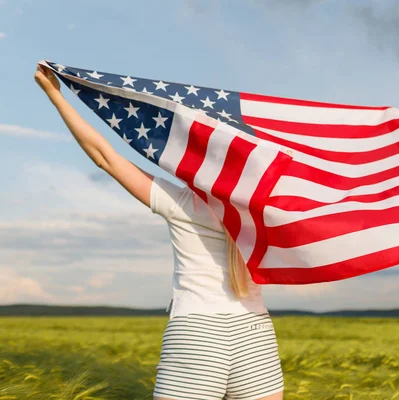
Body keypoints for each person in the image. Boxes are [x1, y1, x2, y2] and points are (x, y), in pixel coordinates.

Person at [34, 64, 285, 400]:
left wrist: (55, 95)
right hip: (256, 335)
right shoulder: (268, 211)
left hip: (196, 333)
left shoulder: (182, 202)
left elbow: (105, 157)